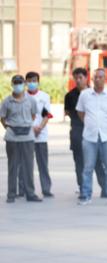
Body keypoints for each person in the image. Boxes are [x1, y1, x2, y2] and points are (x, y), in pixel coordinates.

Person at [75, 68, 107, 205]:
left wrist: (104, 125)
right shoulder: (85, 95)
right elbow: (80, 113)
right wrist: (90, 124)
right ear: (92, 79)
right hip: (89, 137)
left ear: (105, 78)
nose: (98, 79)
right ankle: (86, 195)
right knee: (88, 168)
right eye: (96, 77)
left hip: (106, 136)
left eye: (101, 77)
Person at [64, 67, 106, 197]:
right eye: (75, 78)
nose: (77, 80)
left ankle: (105, 188)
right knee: (80, 163)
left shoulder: (95, 93)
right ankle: (84, 189)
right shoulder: (70, 96)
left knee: (98, 162)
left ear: (86, 78)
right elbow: (69, 113)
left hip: (94, 133)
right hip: (77, 133)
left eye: (80, 77)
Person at [1, 75, 41, 203]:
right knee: (13, 166)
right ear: (12, 84)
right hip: (12, 137)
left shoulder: (31, 101)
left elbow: (33, 115)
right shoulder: (7, 101)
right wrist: (9, 127)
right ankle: (11, 194)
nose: (18, 85)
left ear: (24, 84)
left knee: (28, 166)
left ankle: (30, 193)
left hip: (27, 137)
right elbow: (2, 118)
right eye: (15, 83)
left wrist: (24, 123)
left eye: (20, 83)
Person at [23, 71, 53, 198]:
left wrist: (39, 127)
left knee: (43, 164)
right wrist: (31, 128)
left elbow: (46, 115)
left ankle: (46, 189)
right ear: (25, 82)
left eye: (34, 80)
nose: (31, 83)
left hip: (41, 135)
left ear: (38, 82)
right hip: (26, 135)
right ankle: (25, 189)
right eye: (29, 81)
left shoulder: (44, 96)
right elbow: (21, 115)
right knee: (26, 165)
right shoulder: (22, 97)